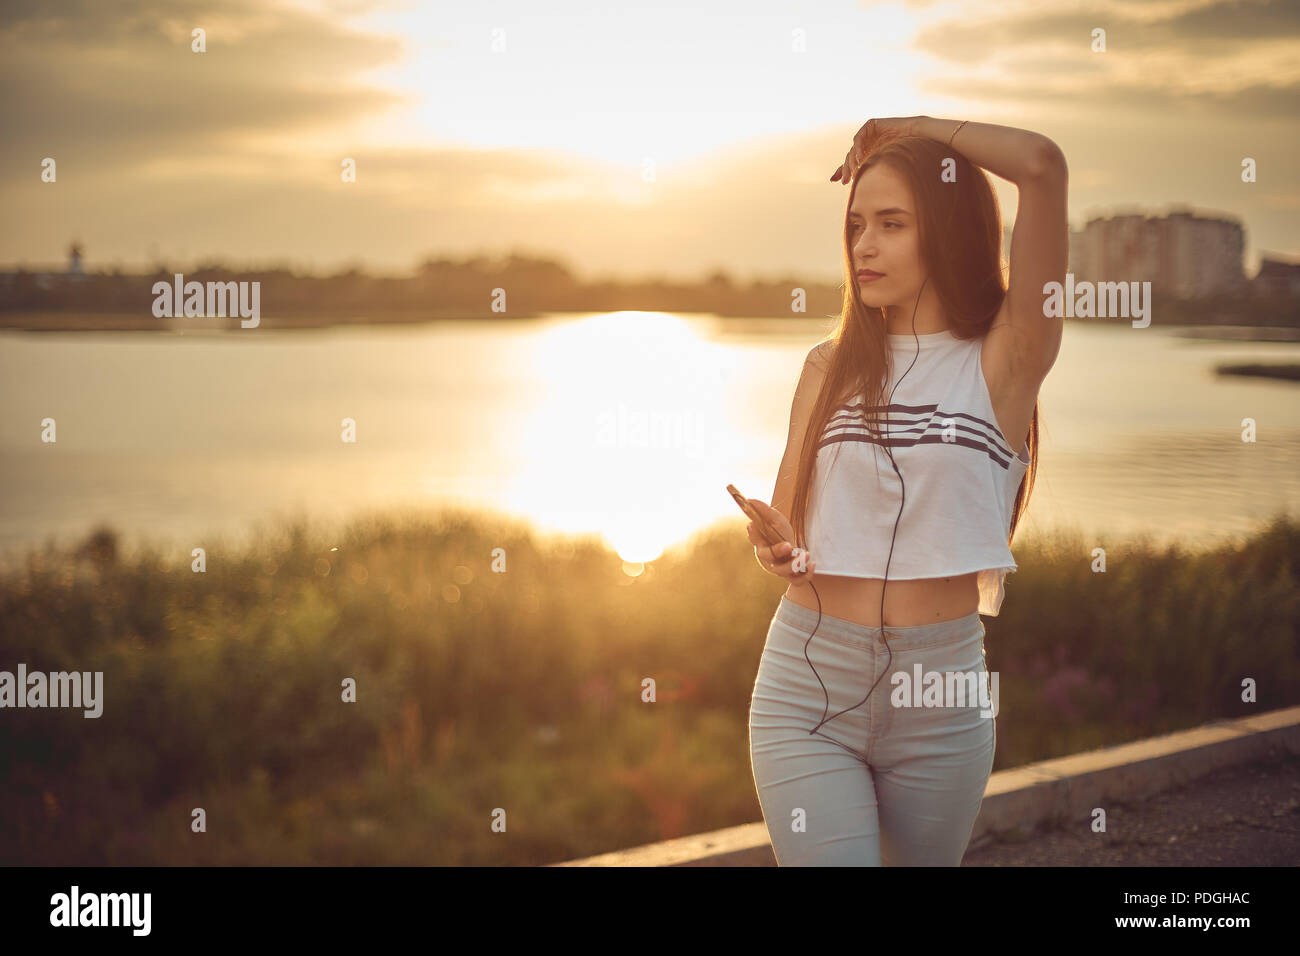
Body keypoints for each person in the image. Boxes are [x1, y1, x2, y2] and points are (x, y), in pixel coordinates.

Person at [745, 116, 1067, 865]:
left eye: (892, 224)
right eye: (857, 224)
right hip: (808, 684)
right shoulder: (828, 367)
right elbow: (785, 526)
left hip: (941, 695)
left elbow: (1043, 165)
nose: (864, 244)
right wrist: (773, 546)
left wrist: (911, 132)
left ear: (949, 231)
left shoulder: (1009, 359)